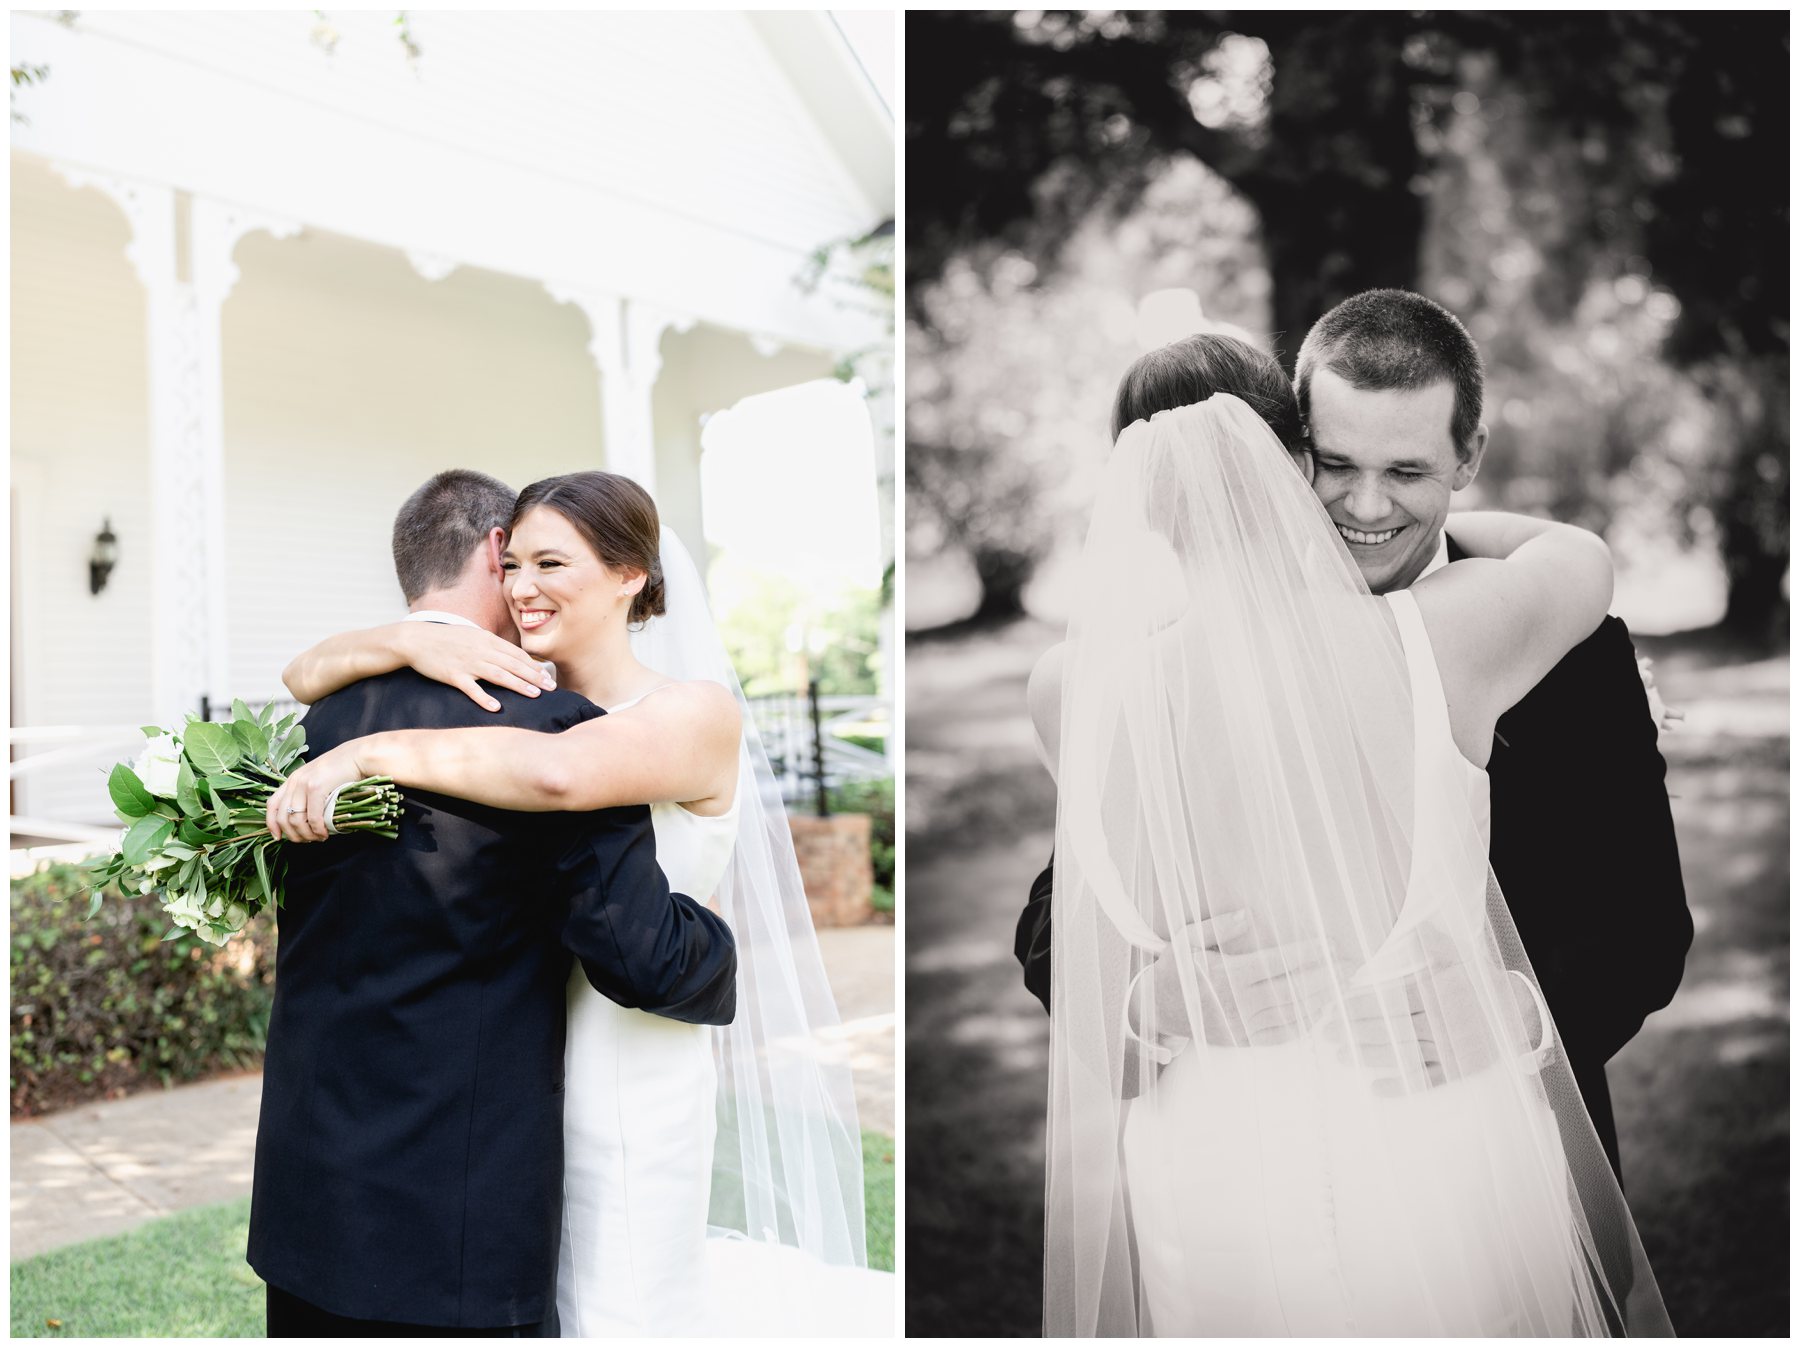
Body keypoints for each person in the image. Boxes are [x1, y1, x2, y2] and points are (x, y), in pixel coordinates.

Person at [1030, 333, 1673, 1335]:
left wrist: (1520, 1010)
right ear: (1295, 460)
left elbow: (1644, 927)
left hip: (1222, 1161)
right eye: (1337, 469)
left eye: (1408, 472)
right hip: (1427, 1151)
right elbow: (1055, 915)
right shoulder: (1457, 635)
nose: (1369, 507)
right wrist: (1145, 1006)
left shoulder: (1075, 688)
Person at [269, 470, 892, 1336]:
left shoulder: (689, 710)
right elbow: (305, 671)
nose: (523, 588)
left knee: (614, 1301)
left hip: (628, 1061)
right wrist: (405, 642)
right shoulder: (524, 697)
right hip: (520, 1068)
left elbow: (560, 775)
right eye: (513, 564)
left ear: (630, 574)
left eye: (551, 563)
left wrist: (364, 753)